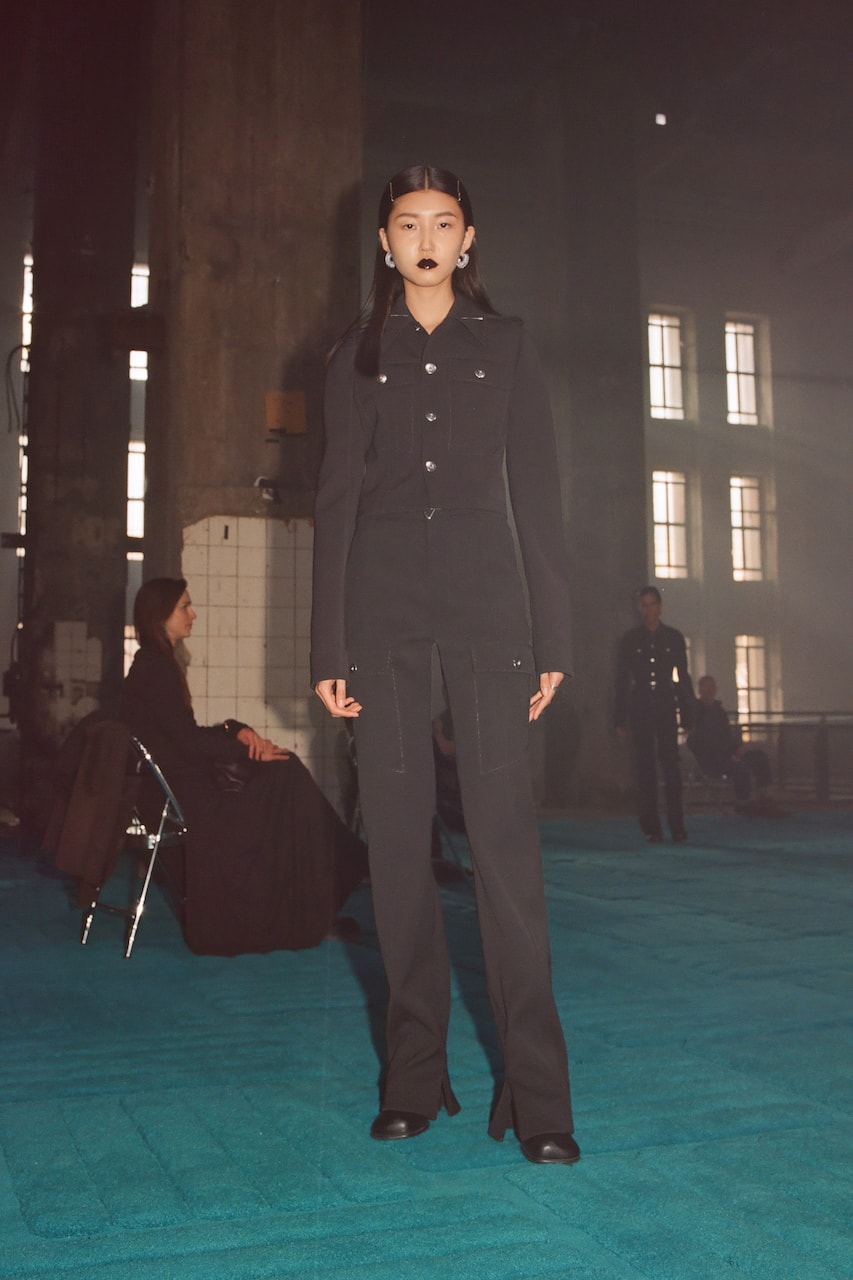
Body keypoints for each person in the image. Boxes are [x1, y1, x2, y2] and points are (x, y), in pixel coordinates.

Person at [310, 165, 578, 1166]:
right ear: (383, 244)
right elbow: (335, 500)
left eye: (443, 222)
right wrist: (328, 646)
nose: (425, 239)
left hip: (487, 607)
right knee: (395, 847)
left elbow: (537, 495)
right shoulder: (352, 354)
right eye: (407, 223)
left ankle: (538, 1095)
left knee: (505, 848)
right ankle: (414, 1076)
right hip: (380, 613)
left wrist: (553, 639)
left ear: (469, 241)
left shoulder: (506, 346)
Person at [121, 578, 368, 956]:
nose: (193, 614)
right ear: (161, 616)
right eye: (184, 607)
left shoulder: (153, 664)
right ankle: (327, 890)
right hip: (184, 796)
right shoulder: (156, 669)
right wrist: (243, 748)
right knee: (286, 778)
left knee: (283, 773)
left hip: (180, 786)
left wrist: (234, 731)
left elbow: (183, 736)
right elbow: (186, 744)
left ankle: (328, 888)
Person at [614, 586, 695, 842]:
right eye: (644, 605)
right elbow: (622, 679)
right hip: (640, 706)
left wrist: (688, 716)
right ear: (640, 608)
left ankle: (677, 825)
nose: (649, 610)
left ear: (660, 606)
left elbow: (682, 678)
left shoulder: (673, 638)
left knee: (671, 766)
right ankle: (651, 827)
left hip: (665, 704)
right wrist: (620, 716)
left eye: (652, 604)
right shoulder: (630, 640)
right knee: (645, 768)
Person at [687, 675, 779, 811]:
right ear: (700, 690)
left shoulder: (720, 712)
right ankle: (743, 802)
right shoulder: (695, 713)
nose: (710, 690)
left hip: (729, 755)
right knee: (740, 767)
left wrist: (738, 748)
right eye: (707, 687)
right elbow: (696, 742)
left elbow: (728, 737)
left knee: (760, 757)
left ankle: (766, 797)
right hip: (712, 761)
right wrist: (724, 755)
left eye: (712, 687)